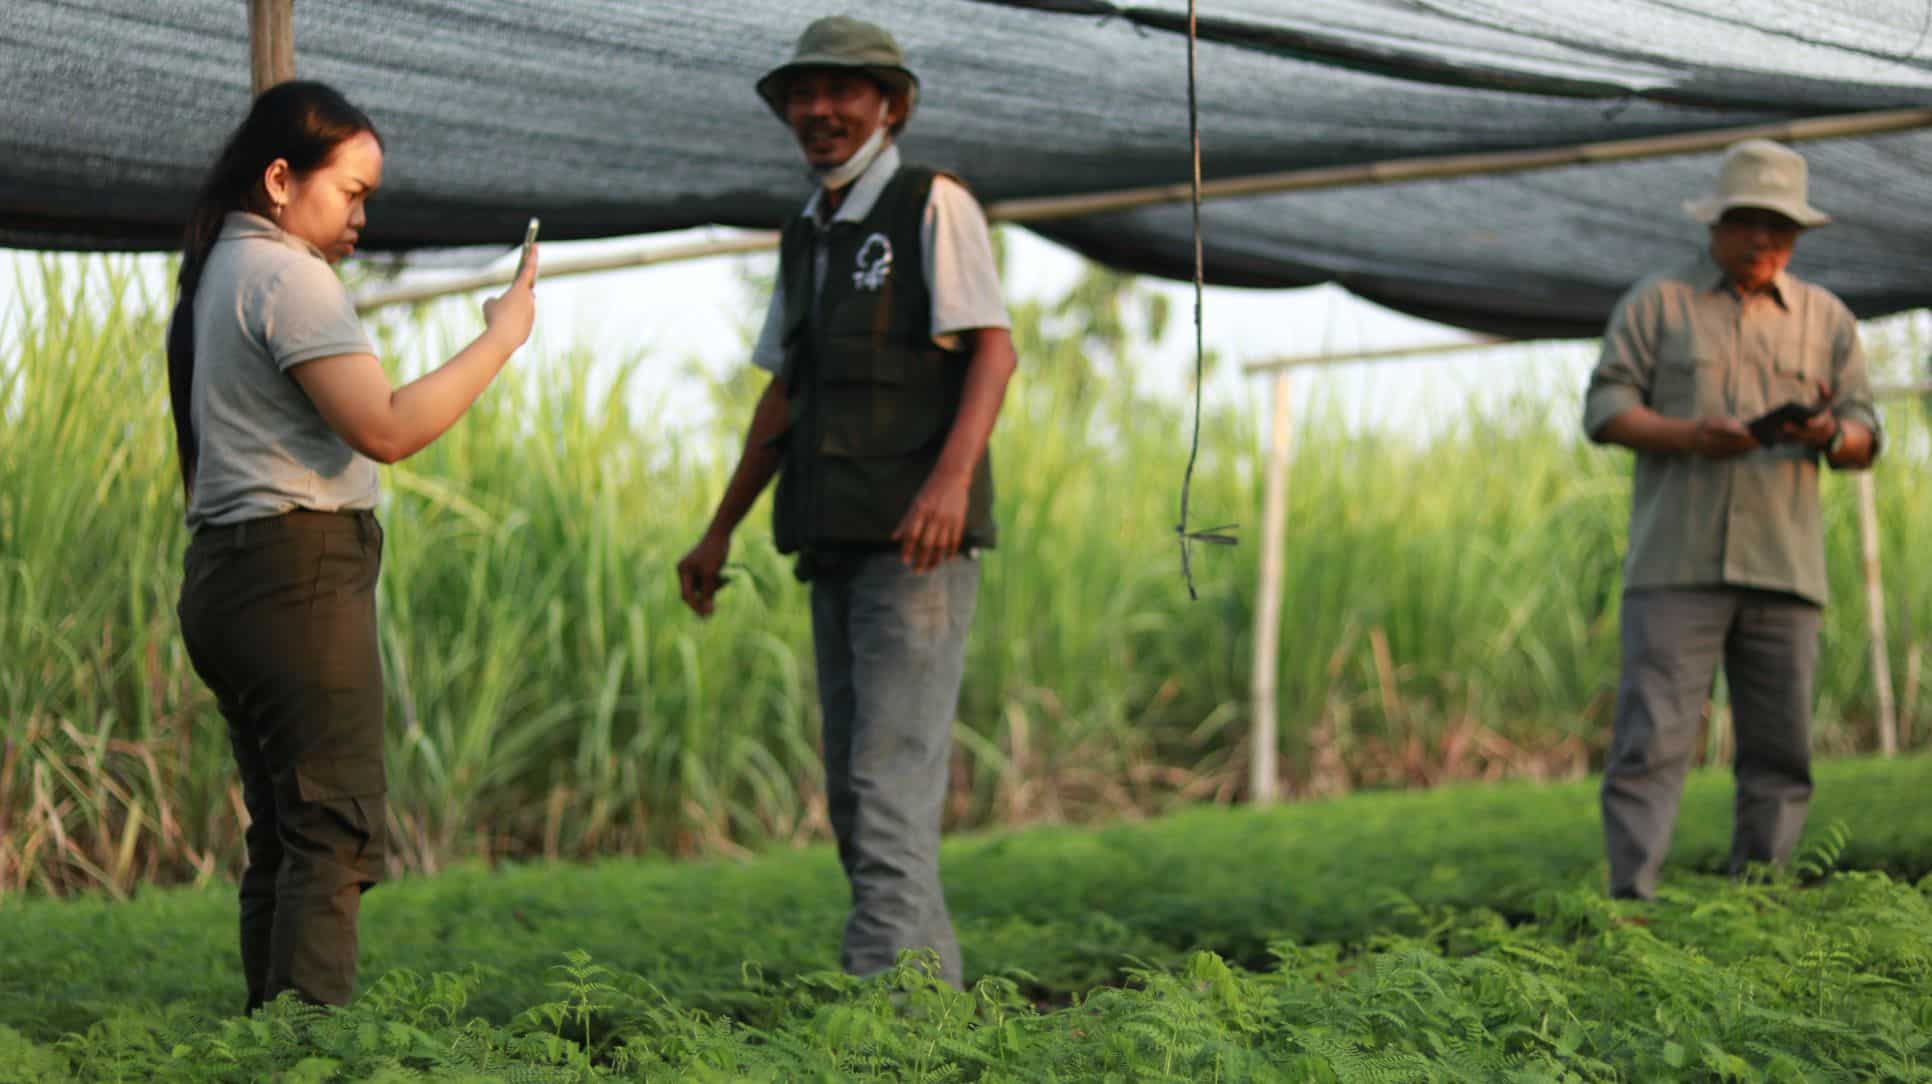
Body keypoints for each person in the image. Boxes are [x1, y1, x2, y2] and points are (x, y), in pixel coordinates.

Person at [167, 80, 537, 1010]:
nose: (364, 213)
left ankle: (268, 1040)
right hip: (295, 575)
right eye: (353, 191)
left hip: (226, 574)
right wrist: (504, 337)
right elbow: (385, 427)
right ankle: (306, 1055)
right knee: (330, 833)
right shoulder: (289, 275)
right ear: (282, 179)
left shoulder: (222, 268)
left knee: (286, 835)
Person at [676, 16, 1017, 988]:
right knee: (860, 794)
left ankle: (886, 1017)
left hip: (915, 552)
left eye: (843, 92)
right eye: (803, 94)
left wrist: (950, 483)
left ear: (891, 106)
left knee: (886, 782)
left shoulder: (931, 204)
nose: (818, 111)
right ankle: (929, 1006)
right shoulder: (809, 230)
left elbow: (993, 346)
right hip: (832, 544)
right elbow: (784, 394)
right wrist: (719, 526)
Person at [1582, 138, 1881, 901]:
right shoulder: (1659, 305)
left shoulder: (1829, 320)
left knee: (1780, 751)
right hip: (1674, 565)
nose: (1763, 240)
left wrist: (1826, 435)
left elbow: (1864, 436)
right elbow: (1606, 410)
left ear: (1798, 237)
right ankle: (1631, 909)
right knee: (1651, 743)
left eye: (1780, 228)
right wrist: (1691, 437)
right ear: (1715, 223)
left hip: (1784, 568)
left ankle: (1762, 907)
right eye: (1749, 222)